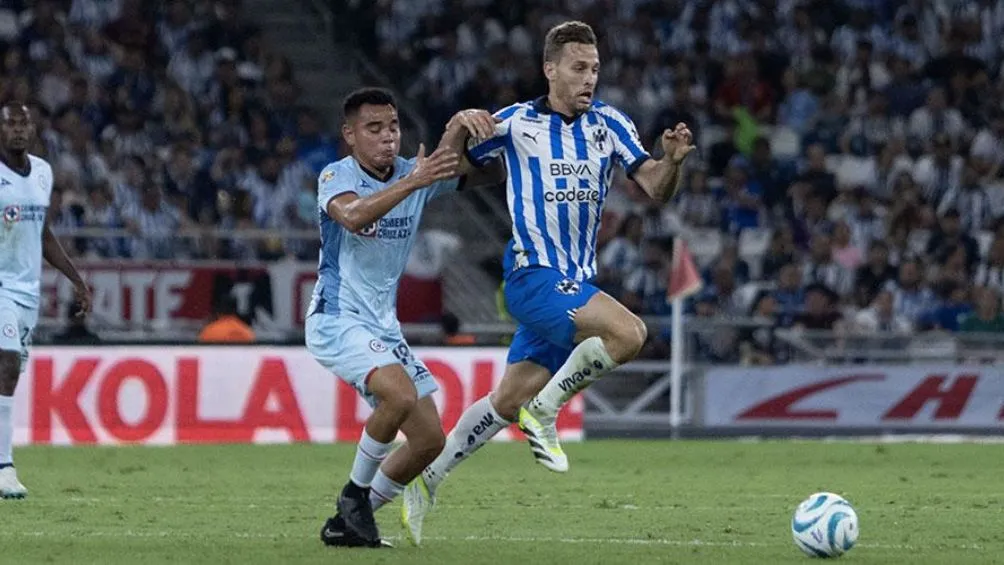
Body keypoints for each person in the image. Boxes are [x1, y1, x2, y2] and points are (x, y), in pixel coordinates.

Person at [402, 21, 695, 545]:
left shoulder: (610, 124)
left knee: (505, 400)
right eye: (580, 68)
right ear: (550, 69)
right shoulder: (514, 124)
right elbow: (449, 172)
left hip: (575, 281)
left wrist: (671, 162)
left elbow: (654, 186)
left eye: (596, 69)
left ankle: (426, 480)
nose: (590, 79)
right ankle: (548, 409)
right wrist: (457, 129)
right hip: (531, 277)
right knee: (628, 334)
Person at [305, 88, 494, 548]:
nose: (388, 137)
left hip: (382, 327)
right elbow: (350, 217)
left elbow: (481, 171)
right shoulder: (338, 175)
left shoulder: (416, 170)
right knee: (399, 395)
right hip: (336, 316)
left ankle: (349, 521)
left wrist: (462, 127)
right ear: (350, 135)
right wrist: (415, 182)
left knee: (430, 441)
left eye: (393, 127)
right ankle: (355, 493)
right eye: (374, 129)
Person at [0, 104, 92, 498]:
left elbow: (43, 231)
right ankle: (5, 468)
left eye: (24, 123)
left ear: (34, 130)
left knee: (10, 376)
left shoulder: (42, 172)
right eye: (10, 124)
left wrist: (75, 278)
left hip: (28, 292)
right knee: (5, 364)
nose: (18, 130)